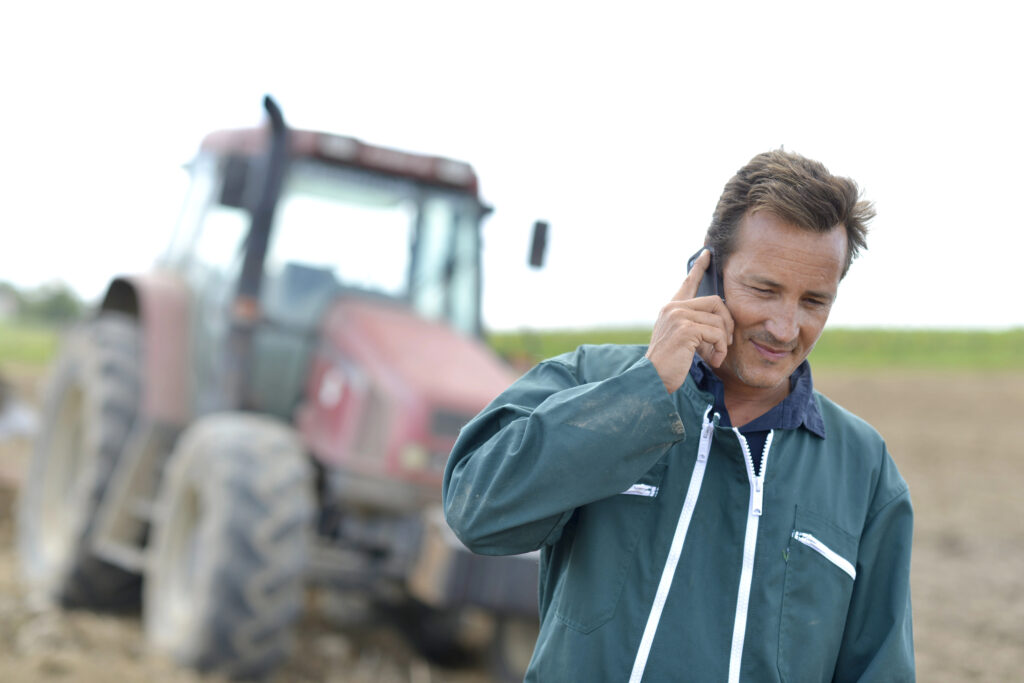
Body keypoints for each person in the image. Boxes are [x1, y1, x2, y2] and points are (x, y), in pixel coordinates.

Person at [443, 150, 914, 682]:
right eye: (764, 290)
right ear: (705, 272)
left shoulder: (866, 472)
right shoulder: (587, 380)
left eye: (813, 302)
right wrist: (645, 390)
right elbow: (477, 513)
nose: (785, 328)